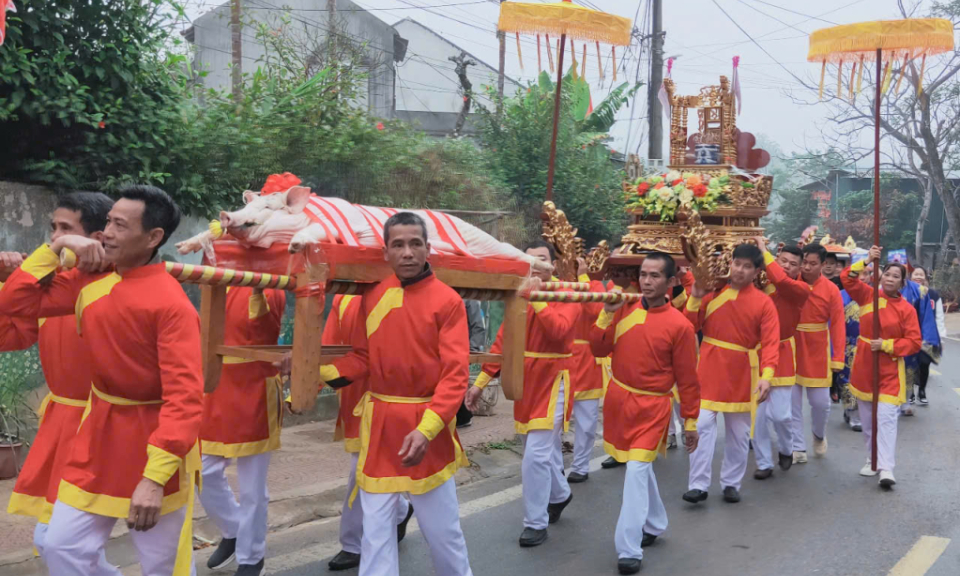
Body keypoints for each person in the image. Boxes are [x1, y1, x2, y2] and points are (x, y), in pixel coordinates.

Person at [0, 185, 203, 576]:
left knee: (162, 566)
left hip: (151, 444)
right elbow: (14, 303)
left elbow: (185, 399)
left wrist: (154, 479)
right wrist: (55, 248)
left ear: (153, 237)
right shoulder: (86, 280)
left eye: (120, 225)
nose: (108, 232)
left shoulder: (172, 304)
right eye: (108, 222)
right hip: (95, 440)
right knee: (60, 546)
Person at [283, 212, 473, 576]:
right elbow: (362, 359)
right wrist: (309, 369)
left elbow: (454, 376)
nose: (407, 253)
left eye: (415, 244)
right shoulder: (375, 297)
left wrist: (428, 429)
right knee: (375, 533)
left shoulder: (447, 301)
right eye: (398, 245)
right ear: (386, 252)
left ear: (427, 249)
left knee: (443, 532)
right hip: (380, 427)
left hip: (427, 428)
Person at [1, 192, 114, 566]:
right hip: (62, 423)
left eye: (66, 229)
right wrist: (10, 277)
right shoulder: (52, 282)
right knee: (58, 543)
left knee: (58, 541)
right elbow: (9, 335)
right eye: (53, 229)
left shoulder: (105, 283)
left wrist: (29, 273)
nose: (55, 238)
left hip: (102, 426)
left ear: (96, 238)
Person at [588, 252, 700, 575]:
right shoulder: (622, 310)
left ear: (671, 282)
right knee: (640, 468)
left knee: (636, 469)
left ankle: (629, 547)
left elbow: (688, 379)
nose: (647, 281)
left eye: (655, 276)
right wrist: (605, 316)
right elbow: (597, 349)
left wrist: (690, 420)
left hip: (654, 408)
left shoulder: (680, 326)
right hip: (620, 401)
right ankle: (655, 522)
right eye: (644, 275)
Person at [467, 239, 579, 547]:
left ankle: (535, 522)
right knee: (540, 449)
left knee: (536, 455)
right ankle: (560, 494)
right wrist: (478, 385)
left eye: (542, 261)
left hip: (553, 379)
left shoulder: (567, 292)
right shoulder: (520, 294)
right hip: (525, 380)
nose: (536, 267)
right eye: (530, 261)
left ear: (553, 265)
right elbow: (503, 342)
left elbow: (558, 332)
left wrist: (536, 298)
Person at [322, 293, 414, 572]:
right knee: (367, 469)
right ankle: (400, 508)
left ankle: (352, 543)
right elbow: (328, 346)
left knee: (360, 470)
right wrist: (306, 383)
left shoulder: (398, 291)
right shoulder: (342, 297)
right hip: (353, 391)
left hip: (391, 394)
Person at [198, 286, 286, 576]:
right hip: (217, 387)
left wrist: (258, 288)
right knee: (203, 471)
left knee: (252, 487)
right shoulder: (220, 279)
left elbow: (263, 327)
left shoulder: (271, 284)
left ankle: (251, 556)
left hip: (253, 388)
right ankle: (234, 529)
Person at [682, 243, 779, 504]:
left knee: (738, 433)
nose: (740, 270)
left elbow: (771, 342)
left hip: (742, 372)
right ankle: (699, 485)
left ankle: (731, 483)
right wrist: (695, 297)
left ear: (757, 271)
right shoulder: (713, 294)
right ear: (730, 263)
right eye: (737, 264)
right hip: (710, 367)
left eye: (747, 267)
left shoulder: (764, 303)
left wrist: (766, 376)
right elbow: (688, 326)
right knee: (701, 424)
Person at [840, 246, 921, 488]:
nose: (890, 279)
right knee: (867, 420)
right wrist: (866, 260)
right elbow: (846, 278)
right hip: (864, 365)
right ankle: (871, 458)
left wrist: (886, 345)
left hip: (889, 370)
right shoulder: (867, 296)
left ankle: (886, 467)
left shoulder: (906, 309)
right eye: (887, 274)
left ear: (902, 283)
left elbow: (914, 342)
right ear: (881, 276)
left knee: (886, 418)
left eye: (896, 276)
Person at [752, 242, 810, 480]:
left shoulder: (800, 289)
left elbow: (781, 281)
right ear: (777, 258)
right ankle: (764, 463)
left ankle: (786, 448)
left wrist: (763, 252)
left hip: (783, 351)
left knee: (781, 415)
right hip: (756, 353)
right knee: (758, 416)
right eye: (783, 261)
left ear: (800, 269)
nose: (786, 267)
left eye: (792, 264)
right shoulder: (760, 284)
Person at [791, 244, 845, 463]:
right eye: (804, 262)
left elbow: (838, 325)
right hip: (793, 344)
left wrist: (838, 358)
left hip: (818, 348)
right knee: (791, 403)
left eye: (812, 263)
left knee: (821, 403)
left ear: (823, 265)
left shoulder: (831, 290)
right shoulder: (792, 283)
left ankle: (818, 435)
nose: (806, 267)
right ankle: (797, 447)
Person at [566, 259, 607, 483]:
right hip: (561, 359)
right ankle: (553, 465)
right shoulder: (557, 284)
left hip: (588, 361)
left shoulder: (597, 285)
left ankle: (580, 466)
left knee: (586, 421)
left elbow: (598, 310)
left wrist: (584, 279)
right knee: (553, 420)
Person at [599, 263, 640, 471]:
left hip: (640, 360)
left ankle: (639, 449)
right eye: (613, 270)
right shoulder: (616, 294)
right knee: (616, 408)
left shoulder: (641, 296)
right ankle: (618, 451)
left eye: (620, 270)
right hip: (617, 359)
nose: (614, 275)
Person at [910, 267, 945, 406]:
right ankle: (910, 392)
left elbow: (939, 317)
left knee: (925, 363)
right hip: (910, 335)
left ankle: (922, 391)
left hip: (928, 336)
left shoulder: (933, 295)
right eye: (915, 274)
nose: (918, 276)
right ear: (910, 277)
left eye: (921, 274)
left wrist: (940, 337)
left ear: (925, 277)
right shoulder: (906, 292)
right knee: (910, 364)